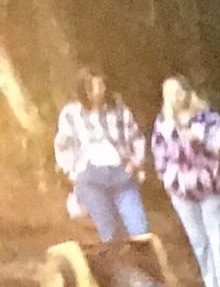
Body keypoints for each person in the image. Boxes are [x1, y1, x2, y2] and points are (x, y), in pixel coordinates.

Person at [152, 77, 220, 287]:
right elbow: (158, 153)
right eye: (170, 93)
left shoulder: (207, 118)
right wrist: (166, 178)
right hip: (181, 192)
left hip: (210, 187)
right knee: (198, 240)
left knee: (217, 237)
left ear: (188, 92)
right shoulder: (163, 123)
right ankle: (211, 285)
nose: (176, 97)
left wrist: (201, 137)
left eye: (179, 91)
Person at [53, 69, 149, 245]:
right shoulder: (71, 114)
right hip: (90, 178)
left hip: (121, 174)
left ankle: (146, 267)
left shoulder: (120, 111)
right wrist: (73, 172)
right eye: (93, 87)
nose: (99, 90)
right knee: (109, 229)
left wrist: (135, 164)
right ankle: (119, 268)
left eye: (101, 85)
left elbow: (136, 138)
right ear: (84, 90)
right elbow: (62, 146)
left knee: (139, 228)